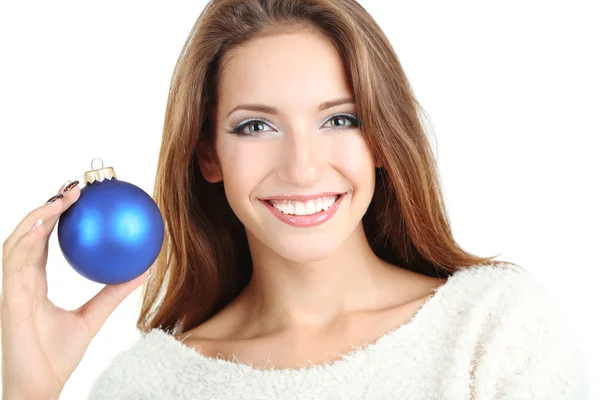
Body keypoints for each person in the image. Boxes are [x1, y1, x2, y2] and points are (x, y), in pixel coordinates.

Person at [1, 0, 588, 399]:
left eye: (339, 118)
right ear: (207, 155)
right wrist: (29, 393)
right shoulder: (149, 384)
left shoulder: (491, 330)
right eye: (256, 127)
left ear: (382, 137)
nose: (303, 168)